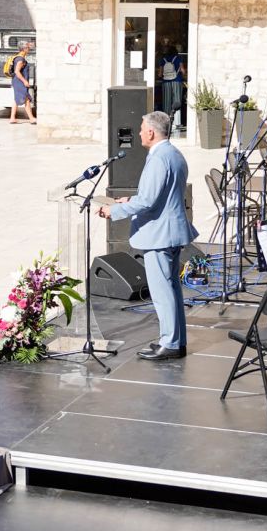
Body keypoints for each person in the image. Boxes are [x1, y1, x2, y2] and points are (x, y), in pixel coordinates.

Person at [98, 111, 198, 360]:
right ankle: (175, 340)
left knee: (163, 292)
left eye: (142, 128)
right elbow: (162, 195)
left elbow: (149, 201)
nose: (140, 132)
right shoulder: (174, 154)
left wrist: (115, 210)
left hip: (160, 235)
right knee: (171, 289)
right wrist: (130, 199)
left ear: (151, 132)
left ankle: (171, 343)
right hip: (170, 231)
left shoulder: (158, 158)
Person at [9, 40, 37, 124]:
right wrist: (25, 81)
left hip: (17, 81)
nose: (29, 49)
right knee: (26, 99)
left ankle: (12, 118)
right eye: (28, 47)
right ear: (24, 48)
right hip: (19, 82)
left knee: (17, 100)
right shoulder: (20, 59)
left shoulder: (19, 57)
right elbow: (17, 71)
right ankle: (31, 118)